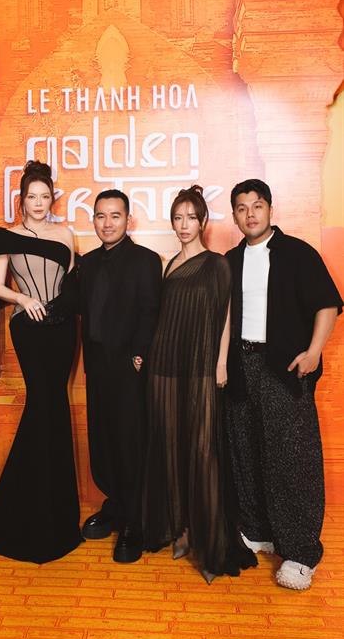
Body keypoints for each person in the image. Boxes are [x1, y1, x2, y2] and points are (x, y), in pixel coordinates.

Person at [225, 178, 342, 590]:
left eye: (257, 205)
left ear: (270, 209)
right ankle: (257, 531)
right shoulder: (230, 260)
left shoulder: (297, 253)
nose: (250, 214)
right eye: (242, 208)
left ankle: (301, 552)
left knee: (292, 458)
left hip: (283, 366)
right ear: (234, 215)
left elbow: (327, 304)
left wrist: (313, 352)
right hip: (241, 365)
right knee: (245, 450)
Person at [142, 186, 257, 582]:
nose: (184, 225)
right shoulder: (169, 264)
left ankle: (210, 542)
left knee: (202, 450)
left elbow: (225, 317)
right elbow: (163, 316)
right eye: (178, 218)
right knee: (170, 448)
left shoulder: (217, 264)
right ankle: (183, 531)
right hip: (163, 365)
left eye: (191, 217)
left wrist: (221, 362)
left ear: (203, 221)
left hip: (201, 366)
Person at [0, 160, 82, 563]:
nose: (38, 202)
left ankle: (57, 510)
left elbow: (72, 283)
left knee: (56, 404)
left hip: (63, 328)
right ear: (21, 200)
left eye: (44, 196)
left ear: (52, 199)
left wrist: (60, 309)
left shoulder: (65, 233)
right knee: (41, 403)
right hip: (28, 326)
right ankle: (25, 508)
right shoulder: (7, 236)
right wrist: (24, 298)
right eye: (31, 196)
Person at [80, 189, 161, 563]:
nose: (107, 223)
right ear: (94, 220)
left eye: (115, 216)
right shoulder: (87, 263)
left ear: (128, 220)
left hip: (130, 367)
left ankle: (134, 522)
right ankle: (114, 504)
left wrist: (140, 353)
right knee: (104, 439)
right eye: (101, 216)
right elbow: (72, 303)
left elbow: (150, 310)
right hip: (97, 365)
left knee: (131, 442)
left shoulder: (146, 261)